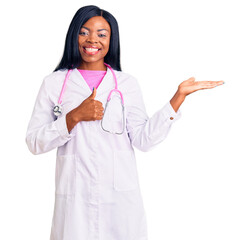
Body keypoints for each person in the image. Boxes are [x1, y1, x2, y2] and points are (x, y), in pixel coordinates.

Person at [26, 5, 224, 240]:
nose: (92, 40)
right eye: (84, 32)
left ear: (111, 40)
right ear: (74, 35)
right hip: (74, 201)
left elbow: (144, 140)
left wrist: (178, 97)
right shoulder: (54, 83)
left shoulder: (126, 83)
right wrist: (73, 117)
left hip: (119, 201)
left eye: (102, 34)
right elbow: (34, 143)